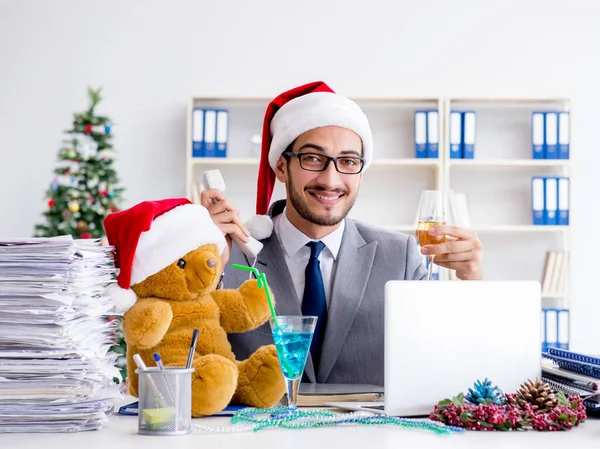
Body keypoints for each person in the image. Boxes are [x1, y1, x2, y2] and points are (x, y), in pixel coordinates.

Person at [201, 81, 483, 386]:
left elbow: (450, 358)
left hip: (370, 433)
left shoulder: (400, 256)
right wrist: (205, 266)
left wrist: (474, 282)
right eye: (312, 158)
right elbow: (179, 362)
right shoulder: (230, 251)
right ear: (281, 167)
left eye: (348, 161)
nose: (331, 179)